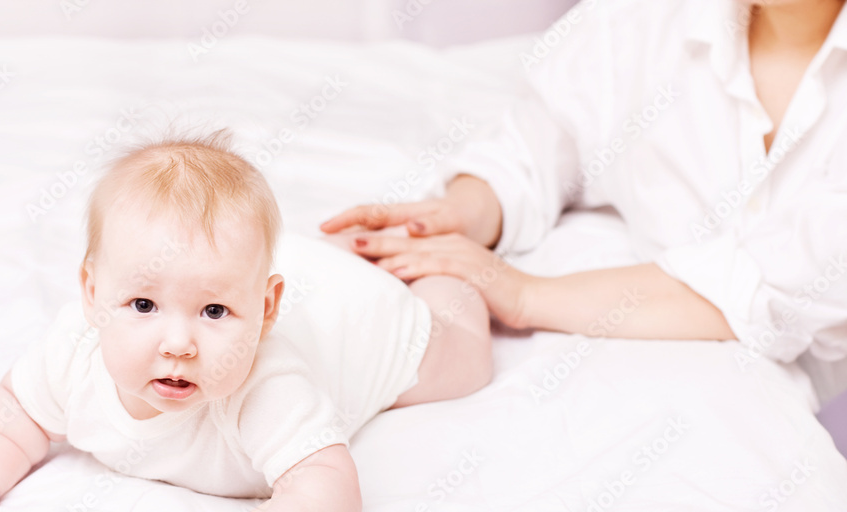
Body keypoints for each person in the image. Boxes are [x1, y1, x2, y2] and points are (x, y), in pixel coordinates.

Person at [0, 134, 493, 512]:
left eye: (214, 311)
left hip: (367, 322)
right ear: (92, 290)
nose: (178, 343)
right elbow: (16, 408)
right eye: (144, 305)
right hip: (301, 279)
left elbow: (332, 492)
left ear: (264, 311)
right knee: (243, 266)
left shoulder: (266, 385)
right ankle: (321, 259)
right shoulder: (75, 349)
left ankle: (435, 266)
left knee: (464, 356)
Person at [321, 0, 847, 366]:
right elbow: (537, 145)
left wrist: (524, 295)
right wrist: (463, 209)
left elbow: (769, 291)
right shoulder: (639, 22)